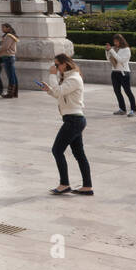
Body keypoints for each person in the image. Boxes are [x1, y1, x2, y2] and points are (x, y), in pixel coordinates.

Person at [44, 53, 92, 194]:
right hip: (73, 119)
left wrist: (52, 76)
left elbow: (59, 92)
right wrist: (49, 90)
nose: (56, 68)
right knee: (79, 154)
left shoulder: (74, 78)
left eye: (57, 65)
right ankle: (87, 186)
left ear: (65, 64)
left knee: (57, 150)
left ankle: (64, 184)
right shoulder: (69, 78)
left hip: (74, 120)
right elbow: (60, 95)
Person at [106, 34, 136, 116]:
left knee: (128, 92)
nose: (115, 43)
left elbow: (121, 60)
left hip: (124, 73)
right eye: (114, 41)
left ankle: (134, 110)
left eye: (117, 41)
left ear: (121, 41)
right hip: (114, 72)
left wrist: (111, 51)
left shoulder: (126, 49)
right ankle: (122, 109)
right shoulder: (114, 49)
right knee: (117, 91)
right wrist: (107, 51)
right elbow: (109, 58)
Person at [0, 23, 19, 98]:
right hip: (9, 56)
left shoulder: (9, 36)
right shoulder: (8, 35)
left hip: (8, 56)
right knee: (12, 75)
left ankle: (10, 93)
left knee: (10, 75)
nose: (2, 29)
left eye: (3, 27)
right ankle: (14, 92)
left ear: (8, 28)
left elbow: (5, 46)